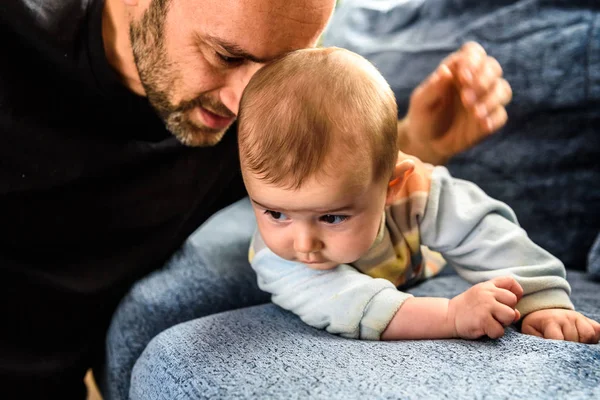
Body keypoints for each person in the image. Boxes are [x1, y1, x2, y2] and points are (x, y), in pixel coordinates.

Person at [1, 0, 513, 398]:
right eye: (226, 55)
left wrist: (421, 143)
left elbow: (319, 197)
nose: (247, 103)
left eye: (281, 65)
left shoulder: (258, 114)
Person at [238, 47, 600, 342]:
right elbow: (355, 307)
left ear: (391, 187)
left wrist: (544, 302)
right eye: (275, 213)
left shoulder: (416, 191)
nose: (303, 244)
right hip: (386, 289)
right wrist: (451, 316)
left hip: (424, 261)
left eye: (332, 217)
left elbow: (485, 231)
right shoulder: (276, 258)